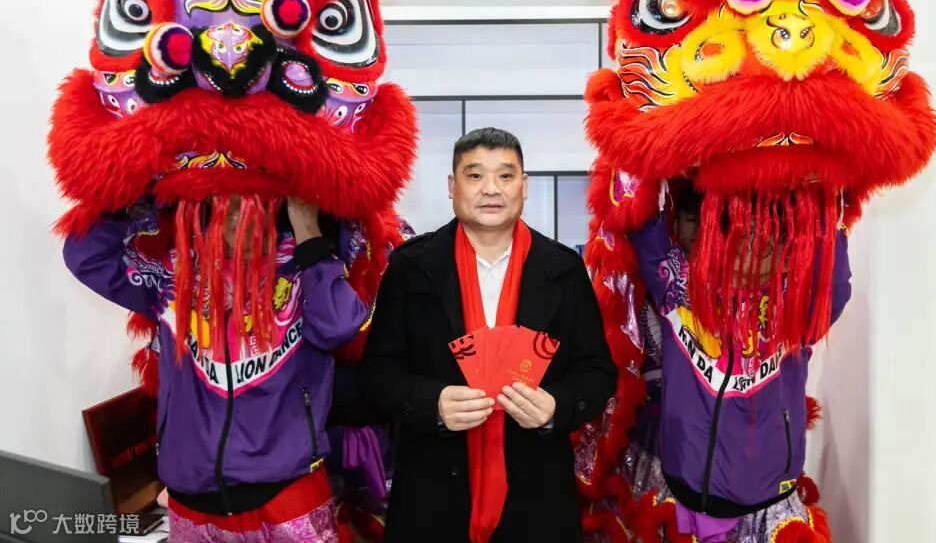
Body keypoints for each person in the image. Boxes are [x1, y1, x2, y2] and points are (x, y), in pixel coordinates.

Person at [357, 127, 617, 543]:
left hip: (537, 494)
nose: (491, 189)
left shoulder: (562, 268)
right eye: (475, 175)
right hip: (432, 493)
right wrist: (432, 402)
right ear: (452, 186)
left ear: (524, 186)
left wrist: (556, 406)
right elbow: (377, 374)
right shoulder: (411, 267)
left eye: (506, 176)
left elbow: (597, 371)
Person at [64, 196, 369, 542]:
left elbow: (339, 326)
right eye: (227, 202)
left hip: (287, 495)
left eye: (254, 201)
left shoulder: (305, 270)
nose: (238, 216)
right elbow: (85, 254)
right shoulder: (174, 272)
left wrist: (307, 230)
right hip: (191, 499)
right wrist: (154, 195)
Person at [629, 188, 851, 542]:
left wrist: (831, 202)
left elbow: (832, 285)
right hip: (682, 493)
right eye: (739, 232)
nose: (752, 247)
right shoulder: (680, 288)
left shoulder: (794, 304)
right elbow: (645, 230)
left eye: (768, 236)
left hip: (763, 506)